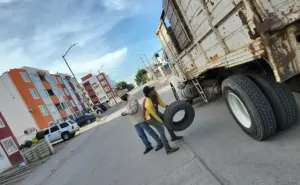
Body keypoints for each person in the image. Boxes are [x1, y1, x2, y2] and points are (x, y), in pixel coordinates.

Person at [118, 89, 163, 154]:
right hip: (135, 121)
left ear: (124, 95)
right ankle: (148, 146)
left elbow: (134, 110)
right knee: (141, 135)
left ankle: (160, 142)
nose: (121, 99)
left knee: (149, 131)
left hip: (140, 119)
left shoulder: (132, 98)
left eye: (121, 97)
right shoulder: (127, 100)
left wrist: (125, 113)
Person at [142, 86, 182, 155]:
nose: (154, 90)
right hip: (149, 117)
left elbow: (160, 102)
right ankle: (168, 149)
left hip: (155, 112)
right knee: (161, 129)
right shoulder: (148, 103)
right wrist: (161, 122)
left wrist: (167, 106)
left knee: (167, 122)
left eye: (153, 89)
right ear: (148, 94)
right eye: (152, 90)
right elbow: (153, 114)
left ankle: (173, 137)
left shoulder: (155, 94)